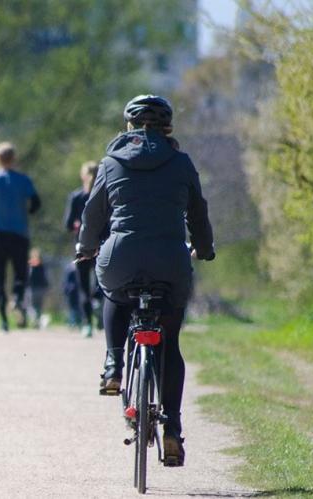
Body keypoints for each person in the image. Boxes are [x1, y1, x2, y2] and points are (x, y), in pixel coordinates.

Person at [76, 95, 215, 466]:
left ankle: (113, 365)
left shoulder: (110, 162)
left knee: (114, 292)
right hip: (170, 262)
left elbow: (92, 215)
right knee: (170, 343)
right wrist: (204, 248)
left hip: (121, 257)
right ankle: (171, 428)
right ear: (168, 128)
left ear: (129, 126)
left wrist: (85, 248)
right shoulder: (182, 163)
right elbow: (197, 214)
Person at [0, 141, 41, 332]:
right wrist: (24, 210)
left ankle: (4, 321)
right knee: (21, 274)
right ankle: (18, 298)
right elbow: (36, 204)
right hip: (20, 234)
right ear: (14, 158)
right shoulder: (24, 180)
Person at [63, 161, 103, 338]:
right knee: (102, 282)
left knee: (84, 288)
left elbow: (67, 224)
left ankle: (87, 323)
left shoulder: (76, 197)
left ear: (82, 176)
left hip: (82, 247)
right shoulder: (104, 195)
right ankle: (99, 304)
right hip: (102, 246)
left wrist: (76, 225)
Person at [26, 248, 50, 329]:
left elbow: (28, 277)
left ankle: (36, 321)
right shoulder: (42, 265)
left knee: (33, 306)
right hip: (40, 289)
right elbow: (45, 277)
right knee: (38, 307)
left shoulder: (30, 265)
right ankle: (37, 321)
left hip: (34, 289)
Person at [62, 262, 82, 328]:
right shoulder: (71, 270)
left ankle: (75, 322)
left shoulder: (70, 269)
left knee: (74, 308)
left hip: (74, 292)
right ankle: (74, 322)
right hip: (73, 292)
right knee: (74, 308)